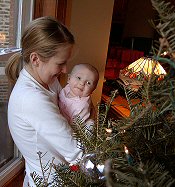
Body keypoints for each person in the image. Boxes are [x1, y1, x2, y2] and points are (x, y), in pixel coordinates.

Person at [5, 16, 83, 187]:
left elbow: (67, 107)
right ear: (35, 59)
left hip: (61, 175)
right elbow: (76, 151)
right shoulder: (31, 99)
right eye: (60, 63)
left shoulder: (48, 80)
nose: (65, 70)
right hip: (51, 181)